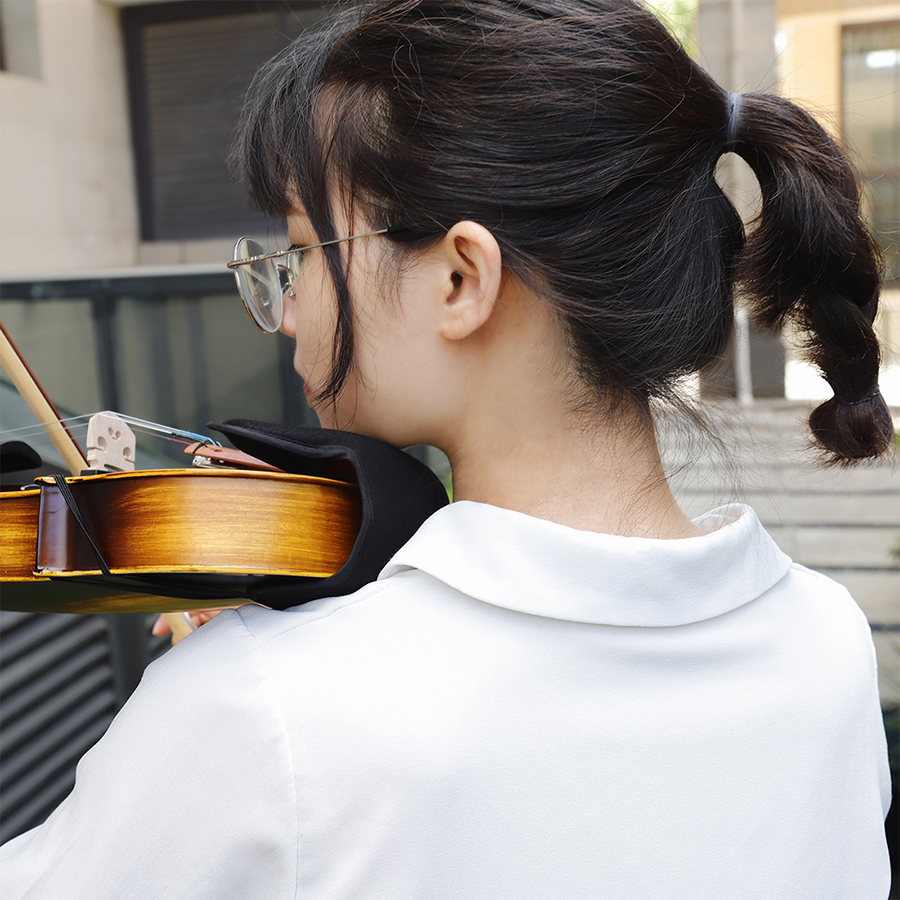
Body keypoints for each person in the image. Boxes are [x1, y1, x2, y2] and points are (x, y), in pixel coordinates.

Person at [1, 0, 893, 897]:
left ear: (460, 279)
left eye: (305, 251)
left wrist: (232, 702)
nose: (290, 308)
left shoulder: (270, 715)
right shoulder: (827, 645)